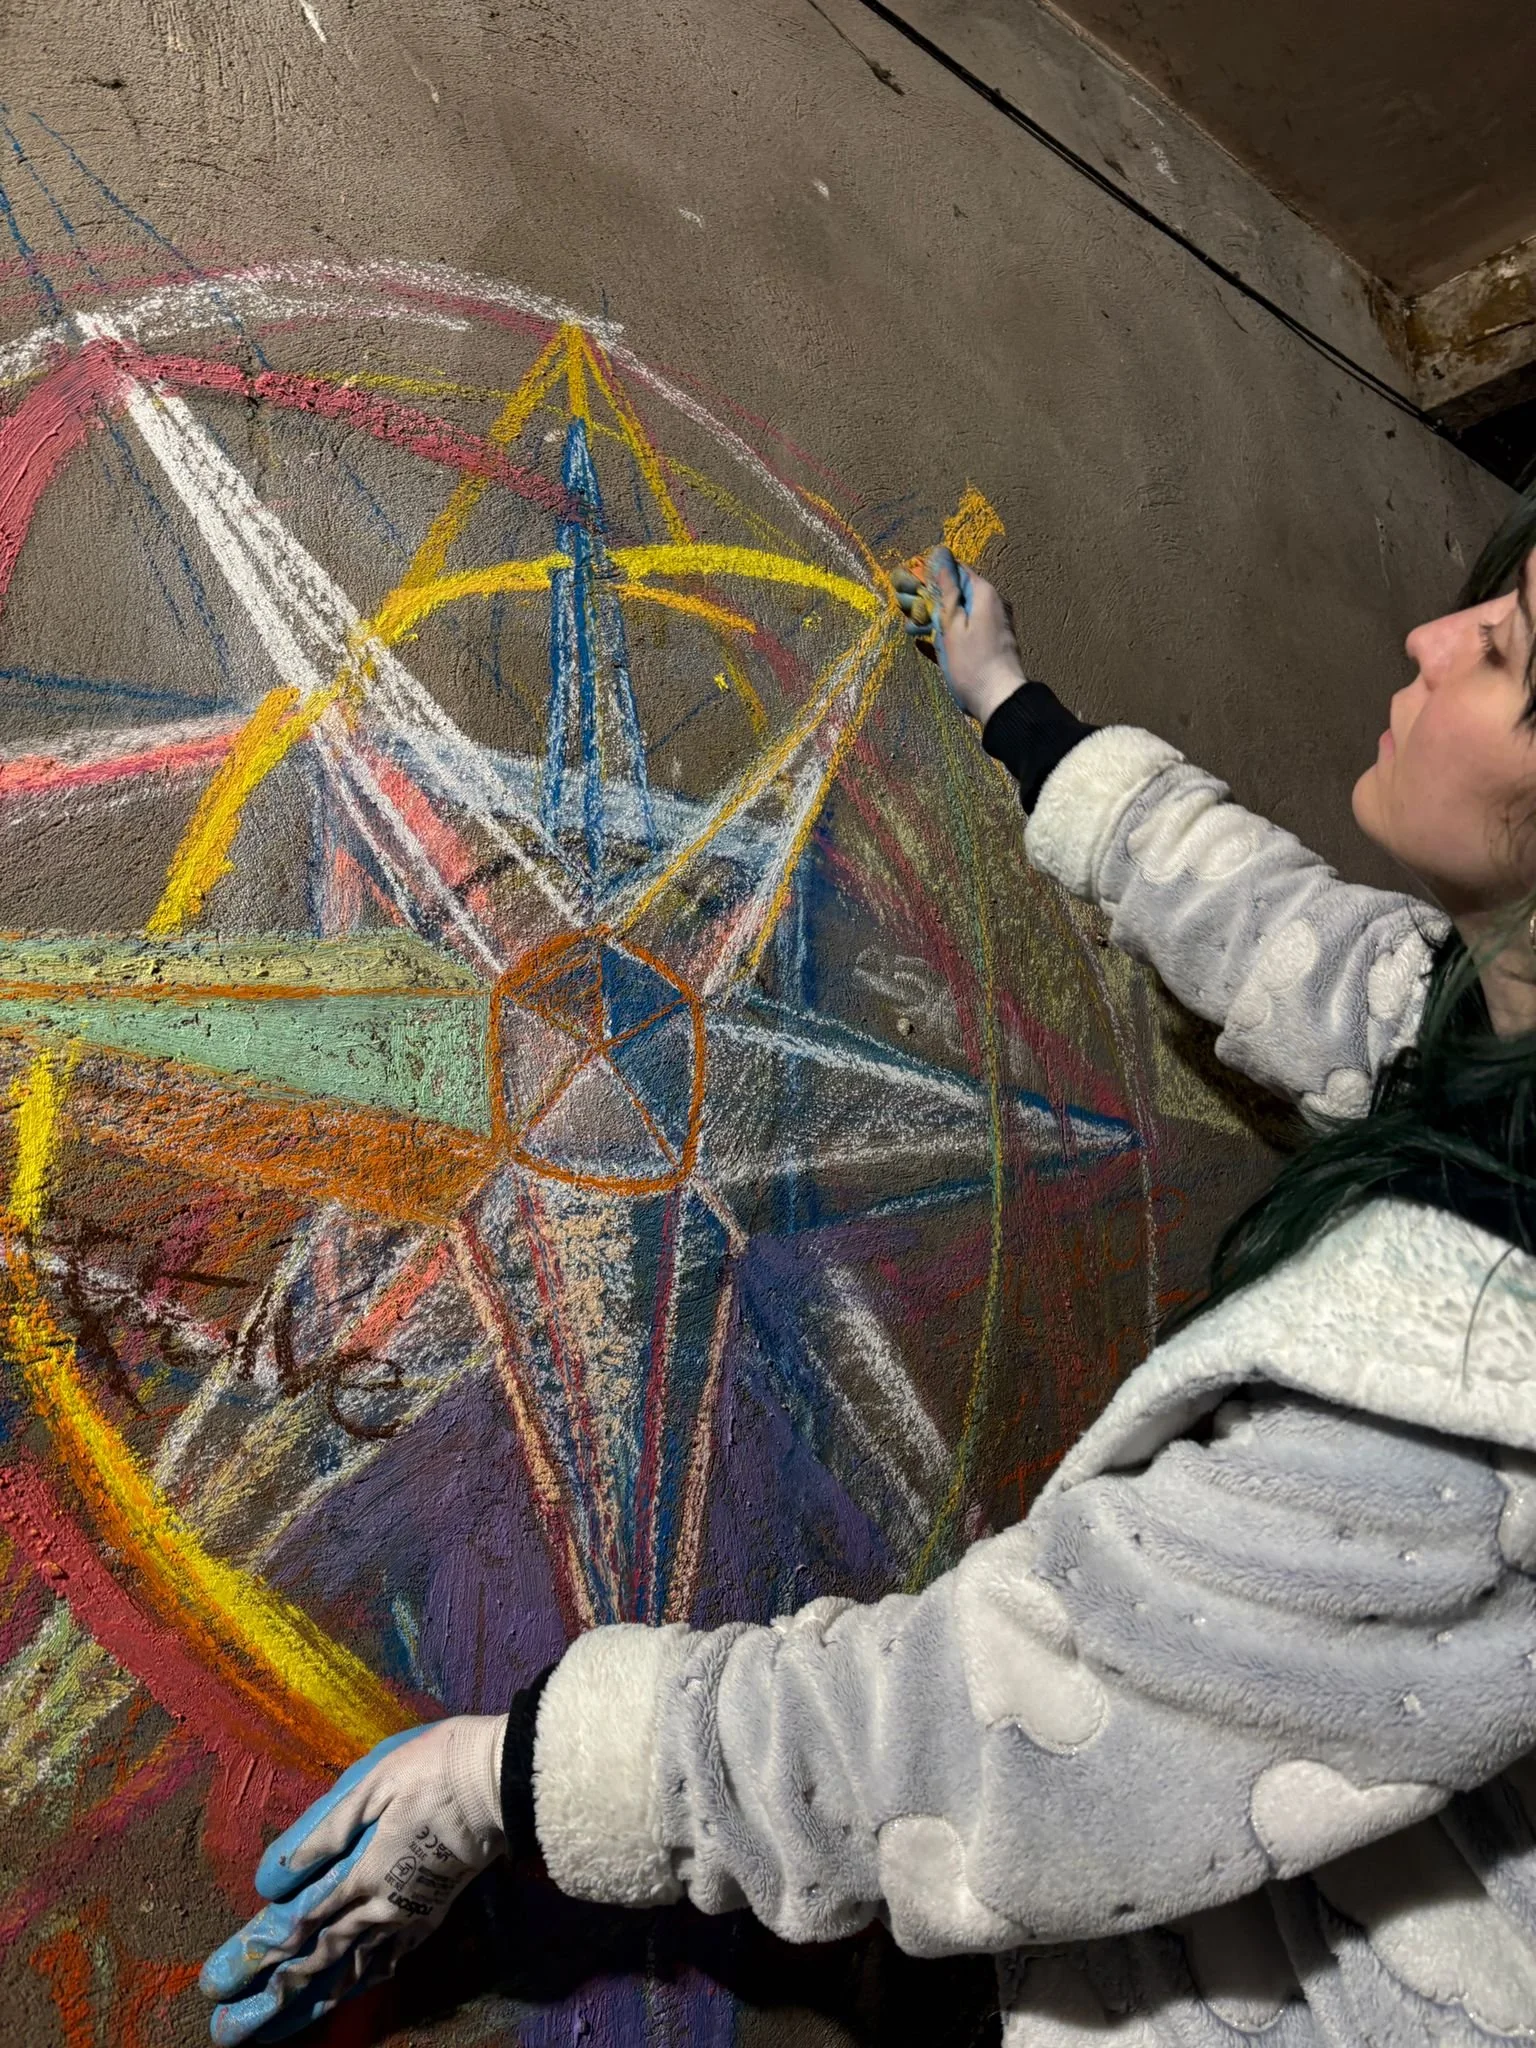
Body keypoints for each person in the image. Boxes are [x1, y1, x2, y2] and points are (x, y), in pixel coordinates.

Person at [202, 488, 1536, 2046]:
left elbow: (1009, 1734)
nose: (1433, 636)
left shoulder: (1468, 1411)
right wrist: (1013, 707)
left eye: (1508, 654)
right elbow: (1304, 946)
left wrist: (508, 1778)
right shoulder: (1493, 1011)